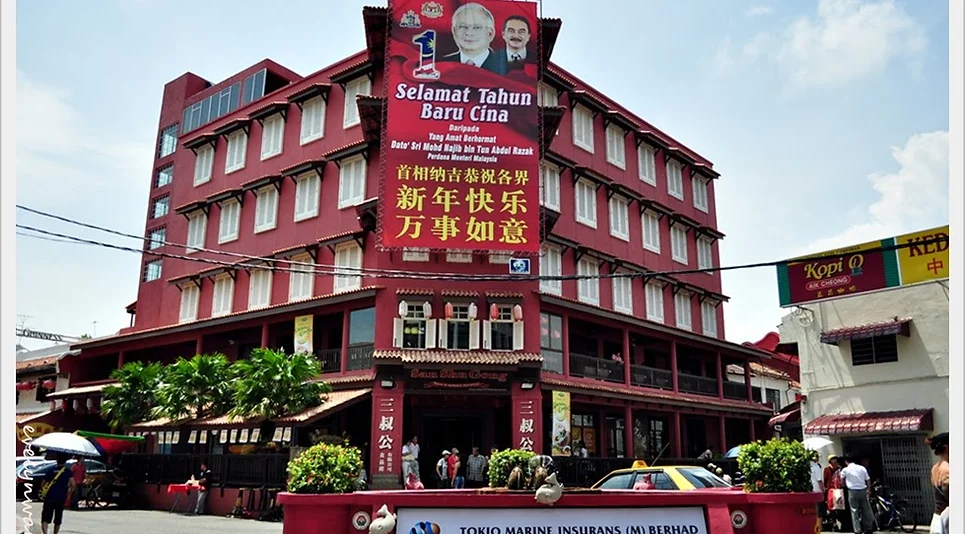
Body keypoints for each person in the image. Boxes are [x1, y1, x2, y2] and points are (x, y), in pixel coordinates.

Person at [440, 3, 507, 75]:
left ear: (490, 33)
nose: (469, 33)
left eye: (476, 27)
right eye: (463, 27)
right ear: (454, 31)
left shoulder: (504, 67)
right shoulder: (441, 64)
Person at [40, 453, 76, 534]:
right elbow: (73, 485)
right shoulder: (67, 472)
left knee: (45, 518)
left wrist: (45, 491)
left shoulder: (50, 471)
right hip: (61, 498)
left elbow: (42, 484)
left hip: (49, 497)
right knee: (58, 518)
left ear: (57, 461)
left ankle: (45, 533)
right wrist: (68, 494)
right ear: (65, 462)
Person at [839, 456, 874, 534]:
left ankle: (857, 530)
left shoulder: (845, 470)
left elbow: (841, 481)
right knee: (866, 509)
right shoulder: (862, 468)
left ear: (846, 462)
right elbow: (868, 479)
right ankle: (868, 527)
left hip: (852, 491)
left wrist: (843, 484)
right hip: (863, 490)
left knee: (854, 510)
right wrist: (869, 489)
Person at [927, 432, 949, 534]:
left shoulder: (935, 468)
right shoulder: (947, 469)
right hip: (947, 520)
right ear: (947, 448)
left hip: (937, 518)